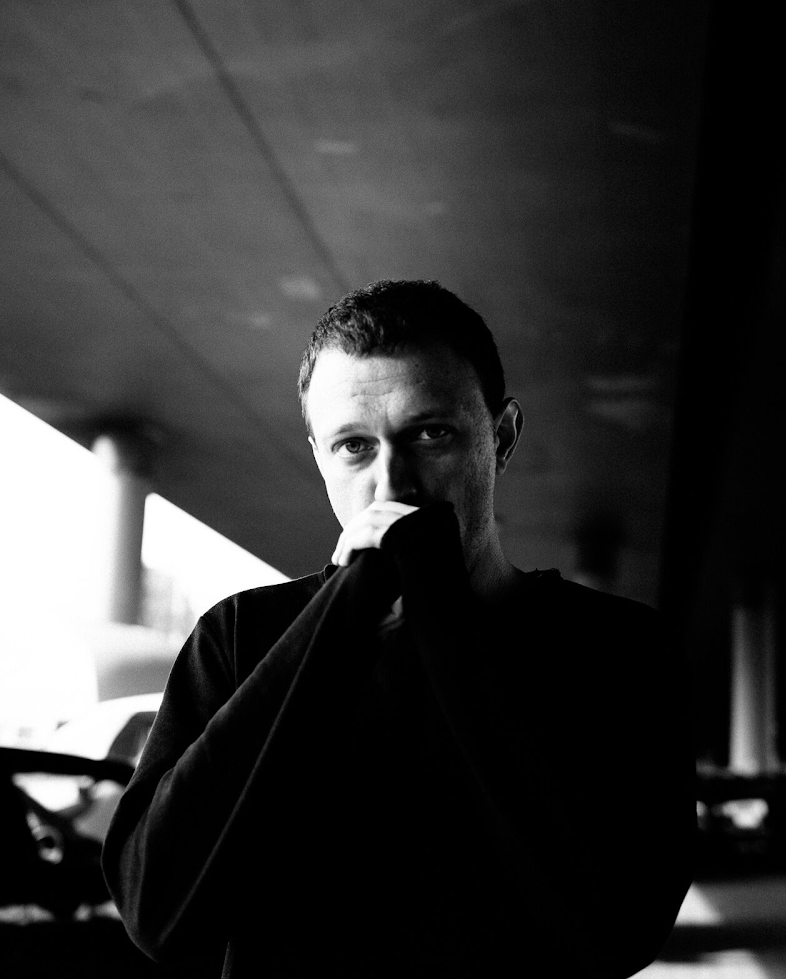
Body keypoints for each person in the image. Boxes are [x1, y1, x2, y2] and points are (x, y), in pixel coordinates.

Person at [103, 280, 691, 977]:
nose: (392, 484)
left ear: (501, 438)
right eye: (354, 446)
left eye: (431, 434)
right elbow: (160, 914)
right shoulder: (241, 637)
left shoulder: (618, 648)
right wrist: (338, 618)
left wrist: (440, 609)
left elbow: (621, 928)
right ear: (320, 458)